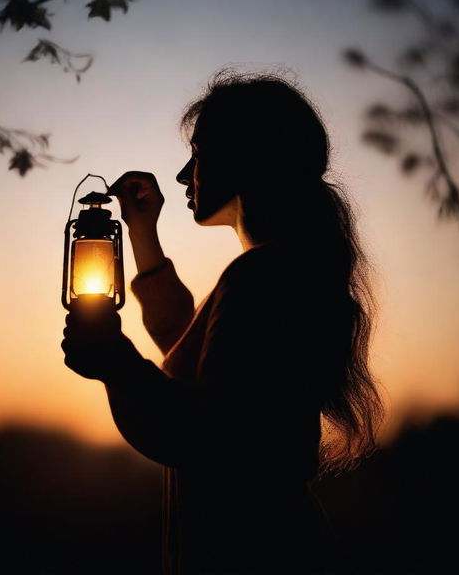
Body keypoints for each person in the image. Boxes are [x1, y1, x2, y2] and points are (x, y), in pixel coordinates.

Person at [62, 70, 384, 574]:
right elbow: (185, 351)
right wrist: (143, 234)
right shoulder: (281, 271)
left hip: (255, 554)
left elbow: (208, 435)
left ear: (246, 158)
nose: (183, 173)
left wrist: (115, 363)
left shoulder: (262, 276)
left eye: (199, 150)